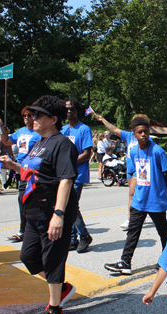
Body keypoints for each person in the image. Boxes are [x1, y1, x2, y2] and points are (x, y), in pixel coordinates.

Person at [0, 95, 79, 314]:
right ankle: (61, 287)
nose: (32, 118)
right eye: (32, 114)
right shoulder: (39, 142)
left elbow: (66, 180)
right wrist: (13, 166)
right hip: (33, 211)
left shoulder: (63, 143)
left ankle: (55, 309)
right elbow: (34, 171)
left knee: (52, 258)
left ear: (53, 119)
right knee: (29, 257)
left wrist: (59, 214)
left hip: (51, 210)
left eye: (37, 115)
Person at [104, 115, 167, 275]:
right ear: (134, 135)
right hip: (139, 200)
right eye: (139, 132)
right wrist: (133, 192)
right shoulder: (133, 152)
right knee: (133, 231)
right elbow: (135, 173)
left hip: (156, 199)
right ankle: (125, 262)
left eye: (145, 131)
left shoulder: (157, 151)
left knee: (163, 232)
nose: (143, 134)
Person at [95, 113, 149, 231]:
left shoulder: (145, 136)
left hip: (140, 169)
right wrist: (102, 119)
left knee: (131, 194)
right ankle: (140, 213)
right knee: (136, 194)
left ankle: (130, 219)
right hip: (129, 169)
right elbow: (113, 129)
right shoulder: (129, 136)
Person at [0, 108, 41, 243]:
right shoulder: (21, 131)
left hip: (33, 169)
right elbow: (6, 141)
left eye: (29, 115)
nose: (26, 118)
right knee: (22, 199)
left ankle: (31, 229)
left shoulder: (38, 133)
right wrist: (1, 128)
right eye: (24, 116)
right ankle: (24, 230)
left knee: (31, 200)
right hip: (20, 169)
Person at [61, 98, 94, 253]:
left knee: (71, 205)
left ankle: (84, 235)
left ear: (77, 111)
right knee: (68, 206)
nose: (69, 111)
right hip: (63, 174)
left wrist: (69, 163)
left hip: (77, 174)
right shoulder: (62, 130)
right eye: (67, 108)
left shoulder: (84, 129)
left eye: (72, 109)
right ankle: (72, 238)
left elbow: (87, 154)